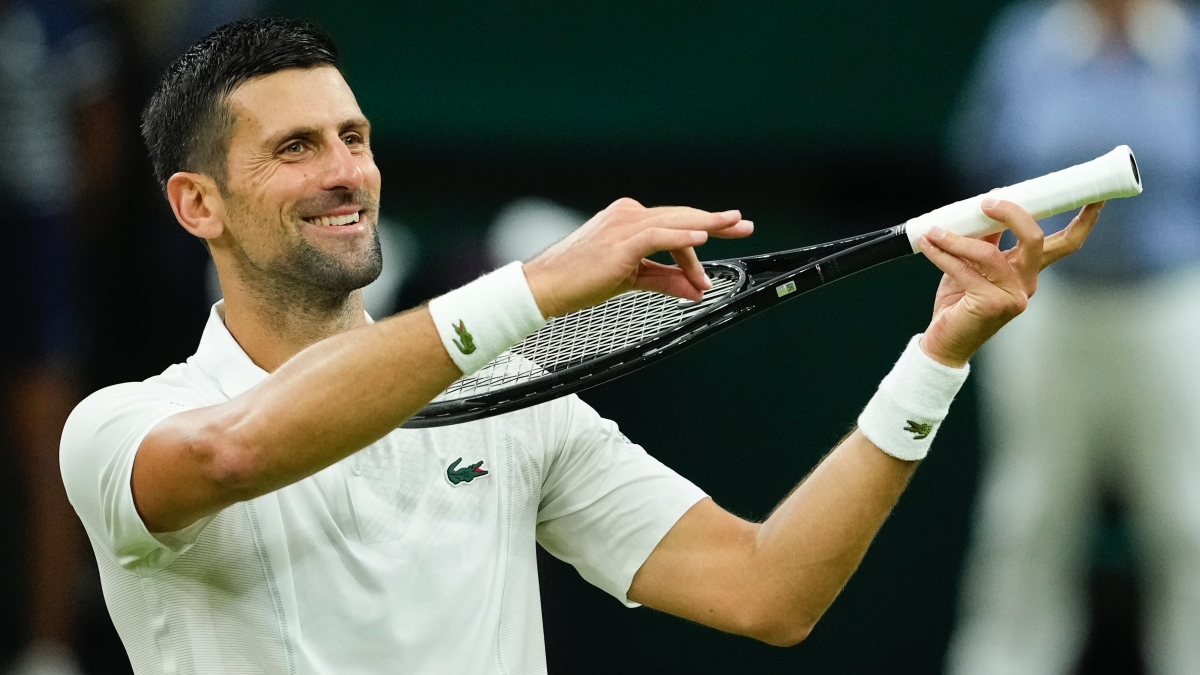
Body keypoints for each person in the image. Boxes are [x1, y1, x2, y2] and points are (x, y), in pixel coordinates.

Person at [58, 18, 1101, 674]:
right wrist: (539, 285)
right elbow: (235, 453)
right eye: (296, 148)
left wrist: (938, 357)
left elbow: (767, 588)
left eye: (355, 137)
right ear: (198, 203)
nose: (345, 172)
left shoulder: (521, 409)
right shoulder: (122, 429)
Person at [943, 1, 1200, 673]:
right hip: (1047, 308)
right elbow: (982, 158)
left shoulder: (1188, 46)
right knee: (1028, 514)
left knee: (1188, 515)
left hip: (1173, 303)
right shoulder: (1026, 42)